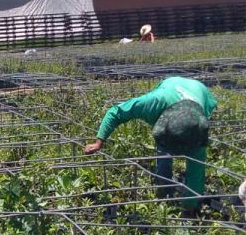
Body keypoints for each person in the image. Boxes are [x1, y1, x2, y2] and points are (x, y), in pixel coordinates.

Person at [84, 77, 217, 212]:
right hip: (171, 85)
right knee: (164, 152)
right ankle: (163, 191)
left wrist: (189, 209)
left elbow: (196, 173)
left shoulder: (197, 131)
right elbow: (116, 112)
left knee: (195, 166)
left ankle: (183, 201)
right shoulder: (154, 103)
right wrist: (99, 142)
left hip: (200, 92)